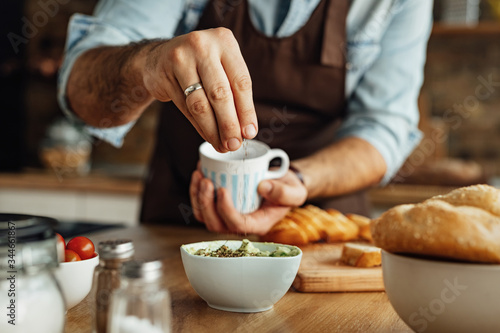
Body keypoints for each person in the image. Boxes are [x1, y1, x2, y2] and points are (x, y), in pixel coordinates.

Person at [58, 0, 433, 235]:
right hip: (180, 232)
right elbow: (80, 90)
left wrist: (298, 181)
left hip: (320, 239)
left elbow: (384, 128)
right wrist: (146, 63)